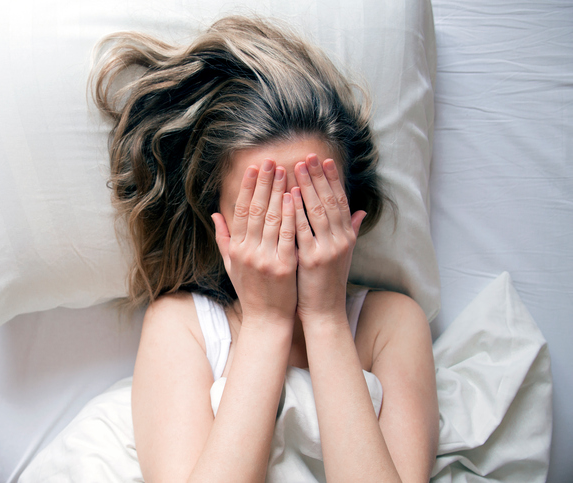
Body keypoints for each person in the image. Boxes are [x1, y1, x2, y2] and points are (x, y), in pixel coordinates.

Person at [91, 16, 439, 482]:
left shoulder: (392, 324)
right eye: (263, 211)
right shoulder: (182, 327)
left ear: (350, 211)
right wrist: (266, 322)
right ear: (220, 226)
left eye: (315, 205)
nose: (289, 231)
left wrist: (326, 318)